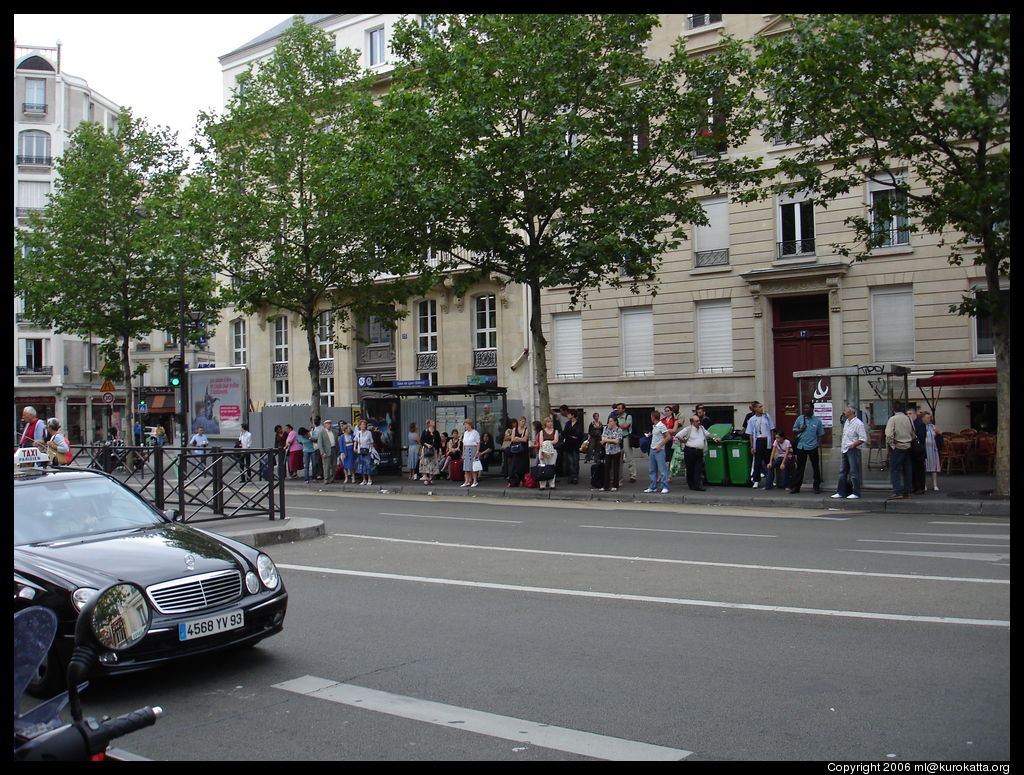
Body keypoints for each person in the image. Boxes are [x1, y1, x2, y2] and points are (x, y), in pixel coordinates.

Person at [674, 415, 721, 491]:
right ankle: (691, 484)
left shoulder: (701, 428)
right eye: (696, 421)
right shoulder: (688, 429)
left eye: (699, 420)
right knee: (690, 469)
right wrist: (683, 440)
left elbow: (708, 434)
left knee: (698, 469)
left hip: (699, 451)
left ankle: (697, 485)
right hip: (690, 451)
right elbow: (677, 435)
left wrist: (714, 438)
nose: (698, 422)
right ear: (692, 422)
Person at [832, 406, 868, 499]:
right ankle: (841, 492)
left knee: (854, 472)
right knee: (843, 471)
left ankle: (856, 492)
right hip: (845, 449)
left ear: (850, 412)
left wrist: (853, 445)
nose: (844, 412)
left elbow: (863, 438)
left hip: (853, 449)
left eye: (846, 411)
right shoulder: (847, 422)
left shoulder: (858, 423)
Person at [789, 403, 824, 494]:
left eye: (807, 408)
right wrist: (800, 430)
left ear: (812, 409)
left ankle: (816, 486)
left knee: (815, 467)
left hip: (813, 446)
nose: (805, 410)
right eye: (804, 408)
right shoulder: (800, 419)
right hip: (802, 446)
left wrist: (817, 444)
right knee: (800, 467)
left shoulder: (817, 421)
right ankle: (796, 487)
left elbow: (820, 434)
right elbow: (794, 430)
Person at [885, 404, 915, 499]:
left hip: (898, 446)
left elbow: (889, 434)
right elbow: (913, 433)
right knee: (907, 470)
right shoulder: (909, 418)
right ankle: (908, 491)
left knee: (895, 470)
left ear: (894, 410)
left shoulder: (893, 419)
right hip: (908, 446)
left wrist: (892, 445)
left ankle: (897, 492)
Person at [745, 402, 775, 488]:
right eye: (759, 407)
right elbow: (750, 433)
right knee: (757, 461)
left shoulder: (767, 416)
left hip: (767, 440)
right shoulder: (752, 419)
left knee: (768, 461)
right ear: (755, 409)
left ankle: (770, 480)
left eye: (762, 406)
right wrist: (752, 446)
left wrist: (772, 442)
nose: (762, 408)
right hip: (758, 440)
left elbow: (771, 429)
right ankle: (756, 480)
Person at [643, 410, 672, 494]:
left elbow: (668, 437)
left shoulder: (661, 426)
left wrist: (660, 445)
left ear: (653, 417)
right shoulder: (655, 426)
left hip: (659, 450)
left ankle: (665, 486)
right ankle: (653, 486)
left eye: (651, 417)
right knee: (652, 469)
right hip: (653, 449)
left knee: (662, 469)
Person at [612, 403, 636, 486]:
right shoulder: (616, 417)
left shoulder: (628, 417)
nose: (618, 410)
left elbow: (625, 425)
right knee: (619, 459)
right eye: (617, 408)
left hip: (626, 438)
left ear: (623, 409)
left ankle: (633, 475)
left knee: (629, 457)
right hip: (618, 439)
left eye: (619, 408)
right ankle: (619, 477)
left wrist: (617, 425)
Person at [600, 415, 624, 492]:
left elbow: (617, 441)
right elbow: (603, 438)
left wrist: (607, 440)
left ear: (615, 422)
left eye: (611, 421)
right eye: (609, 421)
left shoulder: (619, 430)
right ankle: (606, 485)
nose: (609, 423)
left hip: (616, 451)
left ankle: (615, 485)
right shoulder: (606, 428)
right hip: (608, 450)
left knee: (615, 468)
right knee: (607, 468)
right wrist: (609, 440)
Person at [507, 417, 531, 488]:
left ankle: (522, 480)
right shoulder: (515, 429)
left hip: (523, 450)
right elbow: (512, 439)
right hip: (516, 450)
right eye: (521, 421)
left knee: (523, 466)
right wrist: (518, 439)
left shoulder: (526, 430)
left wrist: (517, 438)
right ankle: (513, 482)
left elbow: (525, 439)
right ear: (519, 422)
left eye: (524, 421)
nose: (523, 423)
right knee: (514, 466)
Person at [561, 409, 584, 484]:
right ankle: (571, 476)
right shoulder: (568, 423)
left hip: (575, 444)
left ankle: (575, 476)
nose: (567, 415)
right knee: (570, 462)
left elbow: (578, 435)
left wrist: (569, 434)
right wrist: (571, 435)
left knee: (575, 461)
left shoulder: (579, 424)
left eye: (569, 414)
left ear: (573, 415)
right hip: (568, 444)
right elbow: (564, 433)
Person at [921, 411, 943, 491]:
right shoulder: (921, 426)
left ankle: (935, 484)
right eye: (927, 418)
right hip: (925, 448)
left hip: (933, 449)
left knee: (934, 467)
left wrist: (939, 433)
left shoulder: (932, 426)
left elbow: (940, 433)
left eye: (929, 418)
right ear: (923, 418)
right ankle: (924, 485)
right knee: (924, 467)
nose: (929, 419)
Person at [909, 408, 927, 495]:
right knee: (913, 469)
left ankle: (920, 487)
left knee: (919, 469)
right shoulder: (909, 423)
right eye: (907, 414)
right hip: (912, 450)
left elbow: (921, 437)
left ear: (915, 414)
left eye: (910, 413)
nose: (908, 415)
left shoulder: (920, 424)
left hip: (918, 450)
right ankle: (914, 486)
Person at [418, 419, 443, 485]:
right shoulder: (425, 431)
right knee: (426, 464)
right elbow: (422, 441)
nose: (434, 423)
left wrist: (440, 450)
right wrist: (427, 444)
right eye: (432, 422)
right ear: (429, 424)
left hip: (433, 450)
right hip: (426, 449)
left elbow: (439, 442)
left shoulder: (436, 432)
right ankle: (426, 478)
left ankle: (431, 478)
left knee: (433, 464)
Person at [461, 418, 481, 488]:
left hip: (473, 449)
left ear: (470, 425)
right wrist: (463, 453)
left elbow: (478, 443)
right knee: (466, 467)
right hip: (467, 449)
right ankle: (467, 481)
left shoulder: (475, 432)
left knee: (473, 467)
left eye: (465, 424)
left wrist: (477, 451)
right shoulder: (465, 433)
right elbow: (464, 444)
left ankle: (475, 481)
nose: (465, 426)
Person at [317, 420, 338, 485]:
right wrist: (322, 452)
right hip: (326, 450)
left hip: (333, 449)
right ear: (324, 425)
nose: (329, 425)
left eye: (330, 424)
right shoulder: (321, 432)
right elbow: (320, 443)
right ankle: (326, 479)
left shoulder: (334, 431)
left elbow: (336, 441)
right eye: (328, 424)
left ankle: (332, 478)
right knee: (326, 465)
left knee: (334, 465)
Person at [355, 420, 375, 486]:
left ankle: (369, 479)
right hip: (360, 451)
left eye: (364, 424)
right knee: (361, 466)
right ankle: (364, 480)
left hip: (367, 451)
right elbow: (356, 440)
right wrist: (354, 447)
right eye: (361, 424)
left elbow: (371, 442)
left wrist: (372, 451)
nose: (363, 426)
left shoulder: (369, 433)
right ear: (359, 426)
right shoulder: (358, 433)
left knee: (368, 465)